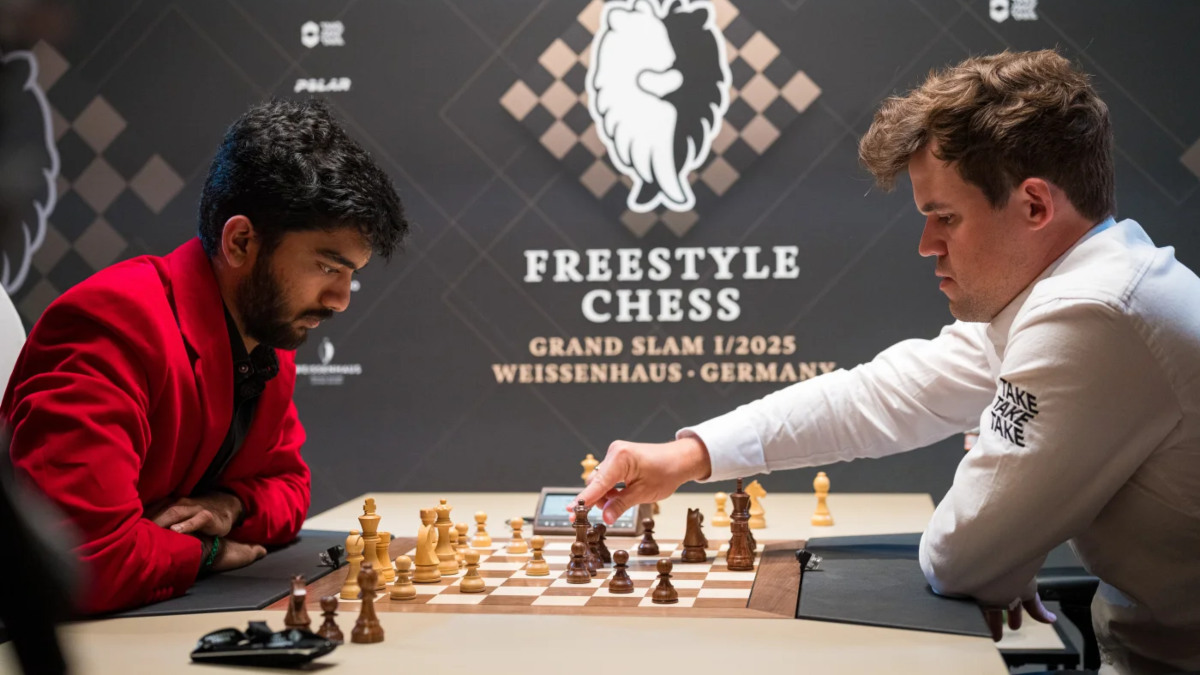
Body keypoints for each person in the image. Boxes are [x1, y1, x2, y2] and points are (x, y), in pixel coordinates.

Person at [576, 50, 1200, 674]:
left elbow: (962, 558)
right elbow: (884, 395)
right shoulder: (1085, 289)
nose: (927, 246)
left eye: (945, 218)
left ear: (1035, 205)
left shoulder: (1093, 313)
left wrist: (1002, 543)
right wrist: (688, 456)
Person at [2, 98, 408, 614]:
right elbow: (82, 562)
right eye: (328, 267)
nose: (341, 299)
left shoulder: (266, 340)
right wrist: (209, 552)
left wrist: (230, 507)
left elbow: (289, 487)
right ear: (240, 241)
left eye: (352, 275)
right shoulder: (108, 328)